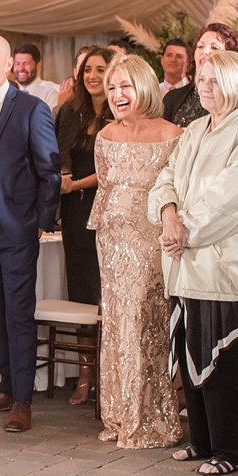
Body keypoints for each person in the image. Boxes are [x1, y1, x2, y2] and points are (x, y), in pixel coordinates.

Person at [149, 51, 238, 476]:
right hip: (184, 259)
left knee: (219, 356)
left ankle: (233, 450)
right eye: (201, 79)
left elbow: (231, 199)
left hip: (222, 261)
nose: (204, 87)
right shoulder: (195, 129)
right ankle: (202, 440)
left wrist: (184, 230)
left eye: (214, 80)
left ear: (236, 83)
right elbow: (166, 177)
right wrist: (168, 214)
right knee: (190, 350)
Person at [0, 33, 62, 434]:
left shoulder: (31, 108)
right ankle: (4, 385)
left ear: (7, 63)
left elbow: (49, 170)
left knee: (18, 312)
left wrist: (41, 220)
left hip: (16, 225)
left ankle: (23, 399)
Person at [92, 55, 183, 447]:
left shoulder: (172, 134)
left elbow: (176, 189)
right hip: (110, 243)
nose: (117, 95)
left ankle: (148, 418)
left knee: (145, 323)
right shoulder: (105, 135)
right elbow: (104, 187)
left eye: (124, 86)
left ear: (144, 86)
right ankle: (118, 414)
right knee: (116, 322)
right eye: (112, 89)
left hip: (149, 242)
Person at [55, 46, 109, 405]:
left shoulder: (119, 115)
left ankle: (109, 373)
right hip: (75, 215)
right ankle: (85, 373)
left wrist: (76, 183)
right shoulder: (70, 112)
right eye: (87, 70)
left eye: (100, 69)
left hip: (106, 212)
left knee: (105, 298)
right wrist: (61, 175)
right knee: (81, 296)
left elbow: (114, 168)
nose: (93, 76)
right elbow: (56, 152)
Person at [163, 24, 238, 128]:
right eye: (200, 46)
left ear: (230, 56)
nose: (205, 52)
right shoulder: (172, 98)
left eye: (215, 47)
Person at [13, 43, 61, 109]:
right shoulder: (8, 91)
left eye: (26, 63)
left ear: (39, 65)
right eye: (17, 64)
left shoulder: (50, 91)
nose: (21, 68)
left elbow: (49, 118)